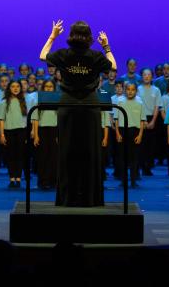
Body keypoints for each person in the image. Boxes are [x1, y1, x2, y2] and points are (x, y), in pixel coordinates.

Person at [40, 20, 116, 207]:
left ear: (71, 35)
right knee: (90, 152)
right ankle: (90, 198)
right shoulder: (96, 55)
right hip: (90, 106)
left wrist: (53, 35)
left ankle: (67, 198)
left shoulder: (64, 54)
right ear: (90, 37)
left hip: (68, 105)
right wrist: (106, 46)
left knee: (67, 152)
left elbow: (43, 56)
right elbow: (113, 66)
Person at [114, 82, 146, 188]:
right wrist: (117, 133)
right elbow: (116, 119)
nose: (130, 91)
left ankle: (133, 180)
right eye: (128, 89)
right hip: (123, 131)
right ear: (125, 90)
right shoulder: (120, 101)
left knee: (134, 158)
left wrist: (140, 135)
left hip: (135, 132)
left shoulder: (140, 102)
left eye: (133, 89)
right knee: (123, 158)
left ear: (136, 91)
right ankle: (123, 181)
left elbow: (142, 120)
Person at [0, 76, 30, 188]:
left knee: (20, 155)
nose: (15, 88)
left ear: (21, 88)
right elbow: (1, 119)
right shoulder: (4, 102)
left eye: (18, 86)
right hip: (9, 131)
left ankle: (18, 178)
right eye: (13, 86)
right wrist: (2, 134)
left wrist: (28, 133)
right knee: (11, 155)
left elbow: (27, 119)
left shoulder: (24, 101)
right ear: (9, 88)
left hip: (21, 130)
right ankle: (12, 178)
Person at [33, 79, 59, 190]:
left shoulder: (57, 100)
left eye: (50, 86)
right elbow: (35, 118)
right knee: (43, 157)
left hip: (54, 130)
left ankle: (53, 181)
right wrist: (36, 134)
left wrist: (59, 134)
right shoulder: (39, 99)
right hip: (42, 130)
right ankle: (43, 181)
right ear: (43, 88)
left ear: (54, 88)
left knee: (54, 157)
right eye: (46, 86)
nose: (48, 88)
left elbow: (60, 118)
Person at [137, 68, 163, 176]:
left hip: (152, 118)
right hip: (140, 118)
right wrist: (142, 120)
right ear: (142, 76)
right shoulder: (138, 89)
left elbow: (157, 106)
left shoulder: (156, 90)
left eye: (148, 74)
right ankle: (141, 166)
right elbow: (137, 105)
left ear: (152, 76)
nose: (146, 76)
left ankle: (148, 167)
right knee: (141, 145)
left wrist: (153, 121)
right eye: (144, 74)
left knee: (151, 145)